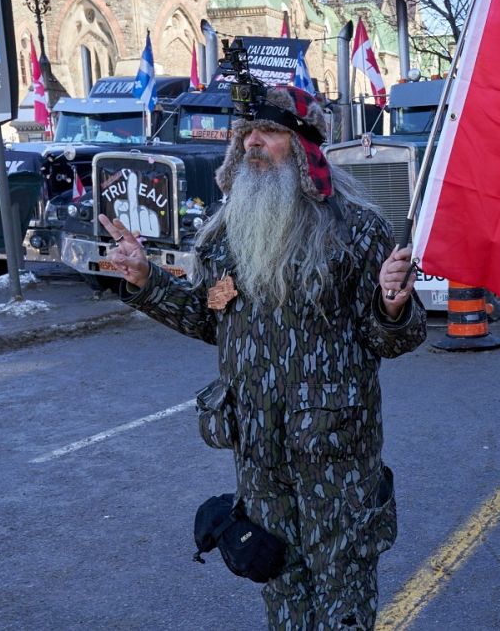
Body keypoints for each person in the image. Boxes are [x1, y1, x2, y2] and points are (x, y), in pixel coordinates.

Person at [100, 85, 426, 629]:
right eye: (245, 132)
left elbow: (388, 339)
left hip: (334, 456)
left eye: (269, 131)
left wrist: (393, 307)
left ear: (303, 147)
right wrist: (146, 280)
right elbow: (211, 318)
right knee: (279, 587)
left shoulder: (357, 229)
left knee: (342, 596)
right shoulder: (226, 234)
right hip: (257, 456)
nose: (252, 142)